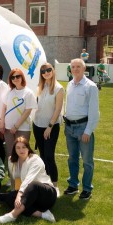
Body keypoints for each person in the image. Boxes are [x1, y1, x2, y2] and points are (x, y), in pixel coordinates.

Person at [0, 136, 56, 224]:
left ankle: (12, 215)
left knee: (34, 184)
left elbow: (28, 180)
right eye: (18, 148)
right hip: (31, 195)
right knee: (11, 197)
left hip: (46, 195)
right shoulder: (12, 161)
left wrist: (19, 194)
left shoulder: (35, 159)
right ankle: (42, 214)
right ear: (14, 149)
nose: (21, 150)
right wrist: (16, 195)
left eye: (24, 147)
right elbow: (15, 179)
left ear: (28, 148)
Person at [63, 58, 99, 200]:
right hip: (69, 127)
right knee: (72, 158)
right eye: (73, 66)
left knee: (87, 161)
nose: (75, 69)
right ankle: (73, 185)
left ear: (84, 69)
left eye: (78, 66)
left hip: (83, 127)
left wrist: (88, 131)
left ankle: (87, 188)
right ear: (70, 69)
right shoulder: (70, 84)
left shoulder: (90, 86)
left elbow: (94, 111)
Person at [33, 63, 64, 196]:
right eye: (43, 71)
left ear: (53, 71)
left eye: (48, 70)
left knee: (49, 156)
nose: (46, 73)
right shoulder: (40, 87)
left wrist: (49, 127)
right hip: (37, 125)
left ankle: (55, 185)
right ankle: (45, 183)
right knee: (42, 156)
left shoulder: (59, 88)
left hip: (51, 127)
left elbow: (57, 109)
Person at [0, 69, 37, 169]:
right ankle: (12, 176)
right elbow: (4, 107)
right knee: (10, 152)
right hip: (8, 128)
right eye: (13, 77)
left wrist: (16, 126)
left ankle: (22, 175)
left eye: (18, 76)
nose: (15, 79)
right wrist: (2, 123)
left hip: (23, 128)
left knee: (22, 152)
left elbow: (28, 111)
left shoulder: (28, 93)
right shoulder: (9, 91)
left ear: (22, 77)